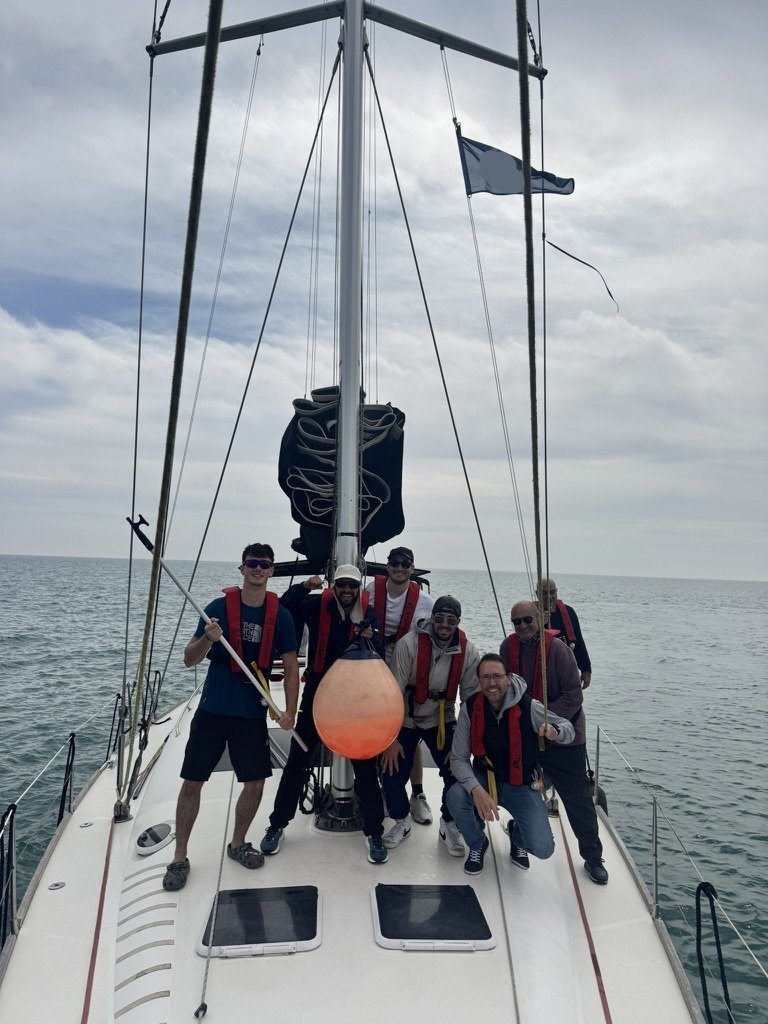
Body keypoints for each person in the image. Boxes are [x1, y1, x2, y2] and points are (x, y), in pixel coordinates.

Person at [163, 543, 300, 892]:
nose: (257, 569)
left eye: (264, 565)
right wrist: (208, 640)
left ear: (271, 572)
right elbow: (189, 659)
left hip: (250, 712)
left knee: (254, 783)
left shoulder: (280, 616)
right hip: (212, 709)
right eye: (252, 563)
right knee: (193, 782)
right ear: (242, 569)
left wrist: (290, 711)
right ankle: (179, 857)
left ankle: (238, 843)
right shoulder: (217, 609)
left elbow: (289, 667)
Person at [260, 564, 390, 864]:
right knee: (297, 761)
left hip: (354, 704)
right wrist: (305, 585)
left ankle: (373, 832)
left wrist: (371, 637)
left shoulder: (367, 614)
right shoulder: (315, 604)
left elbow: (379, 655)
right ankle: (277, 825)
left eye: (352, 586)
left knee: (366, 769)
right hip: (317, 696)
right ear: (334, 585)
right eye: (342, 584)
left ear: (359, 588)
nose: (347, 590)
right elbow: (283, 607)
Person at [500, 601, 609, 884]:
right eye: (517, 622)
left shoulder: (558, 650)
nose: (522, 626)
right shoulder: (506, 649)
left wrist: (549, 723)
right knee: (522, 786)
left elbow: (575, 694)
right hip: (529, 736)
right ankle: (520, 831)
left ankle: (593, 857)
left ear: (538, 619)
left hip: (564, 737)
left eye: (527, 620)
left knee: (577, 799)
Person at [447, 653, 575, 874]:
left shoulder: (530, 707)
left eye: (497, 676)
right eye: (486, 677)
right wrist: (476, 790)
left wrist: (556, 731)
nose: (492, 683)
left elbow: (568, 729)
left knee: (544, 849)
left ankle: (517, 833)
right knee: (455, 796)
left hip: (522, 784)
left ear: (509, 677)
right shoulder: (470, 709)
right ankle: (477, 843)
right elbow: (458, 759)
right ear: (479, 680)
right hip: (485, 778)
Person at [380, 595, 481, 857]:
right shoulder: (409, 644)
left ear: (458, 622)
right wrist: (390, 740)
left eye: (451, 620)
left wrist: (462, 744)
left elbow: (472, 702)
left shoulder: (468, 651)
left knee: (455, 772)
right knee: (391, 772)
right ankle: (401, 821)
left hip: (442, 719)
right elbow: (391, 693)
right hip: (406, 717)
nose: (444, 624)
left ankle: (448, 824)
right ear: (432, 618)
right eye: (440, 618)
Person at [366, 545, 435, 824]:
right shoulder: (371, 590)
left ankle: (417, 793)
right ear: (387, 566)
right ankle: (380, 789)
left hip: (407, 669)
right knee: (374, 730)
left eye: (405, 564)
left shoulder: (426, 602)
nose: (399, 568)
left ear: (412, 568)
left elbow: (432, 637)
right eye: (394, 563)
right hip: (375, 663)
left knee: (409, 731)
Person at [539, 578, 592, 688]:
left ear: (557, 592)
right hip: (541, 672)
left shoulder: (569, 612)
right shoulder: (530, 615)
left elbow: (579, 642)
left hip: (566, 669)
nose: (549, 597)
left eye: (552, 592)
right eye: (544, 593)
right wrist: (539, 624)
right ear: (537, 594)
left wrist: (586, 669)